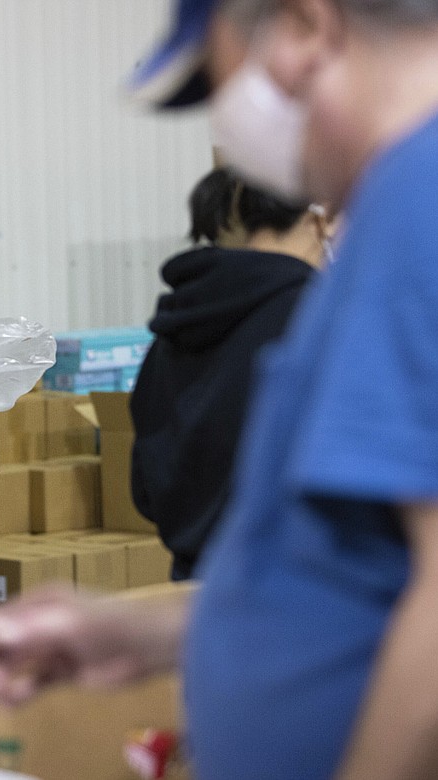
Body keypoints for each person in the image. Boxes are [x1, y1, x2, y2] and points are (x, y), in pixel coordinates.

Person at [0, 1, 438, 778]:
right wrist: (144, 635)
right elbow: (351, 580)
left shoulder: (422, 196)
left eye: (219, 77)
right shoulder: (392, 209)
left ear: (308, 28)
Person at [130, 166, 332, 580]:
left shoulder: (173, 331)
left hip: (196, 599)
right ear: (318, 220)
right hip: (298, 598)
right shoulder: (319, 320)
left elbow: (145, 490)